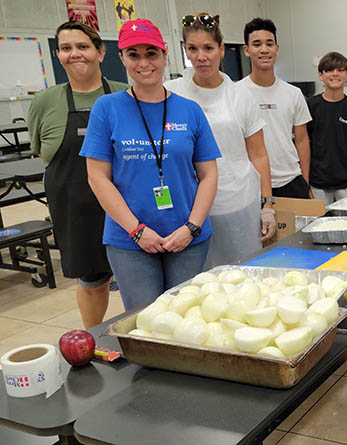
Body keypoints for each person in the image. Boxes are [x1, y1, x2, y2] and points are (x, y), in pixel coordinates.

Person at [80, 18, 221, 311]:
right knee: (146, 320)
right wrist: (137, 231)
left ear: (165, 55)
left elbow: (208, 174)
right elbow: (97, 178)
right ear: (121, 58)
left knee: (189, 317)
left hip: (188, 238)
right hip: (130, 241)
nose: (144, 62)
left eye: (151, 53)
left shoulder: (190, 110)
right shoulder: (107, 109)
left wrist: (191, 227)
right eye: (134, 54)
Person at [27, 21, 127, 329]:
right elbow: (43, 152)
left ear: (100, 52)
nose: (75, 54)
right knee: (92, 281)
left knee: (138, 275)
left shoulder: (126, 96)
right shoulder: (45, 102)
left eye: (83, 47)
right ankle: (92, 339)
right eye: (66, 48)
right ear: (57, 55)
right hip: (76, 208)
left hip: (125, 202)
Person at [166, 12, 275, 265]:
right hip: (188, 205)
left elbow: (258, 154)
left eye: (208, 48)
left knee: (242, 271)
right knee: (199, 279)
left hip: (236, 201)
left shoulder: (241, 96)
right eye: (193, 49)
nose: (201, 57)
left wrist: (267, 205)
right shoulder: (172, 94)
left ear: (222, 49)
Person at [236, 18, 313, 199]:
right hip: (251, 184)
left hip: (291, 180)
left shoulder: (293, 94)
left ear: (276, 49)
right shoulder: (235, 93)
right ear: (246, 50)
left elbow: (302, 141)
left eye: (269, 43)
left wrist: (305, 182)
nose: (264, 49)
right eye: (257, 44)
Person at [306, 51, 347, 204]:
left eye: (340, 70)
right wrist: (306, 183)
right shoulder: (310, 106)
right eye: (329, 70)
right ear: (320, 75)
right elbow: (303, 145)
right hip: (317, 184)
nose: (335, 74)